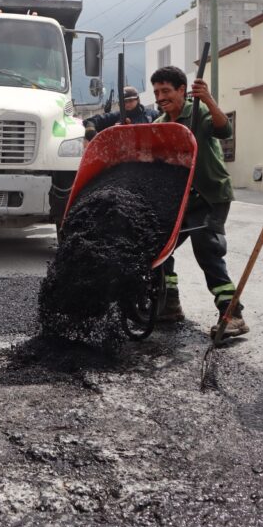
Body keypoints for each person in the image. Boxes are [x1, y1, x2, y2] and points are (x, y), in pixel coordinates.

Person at [150, 66, 248, 337]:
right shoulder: (161, 124)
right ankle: (169, 304)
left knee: (207, 248)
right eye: (157, 92)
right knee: (159, 246)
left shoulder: (199, 112)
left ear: (182, 90)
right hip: (180, 197)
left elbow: (225, 130)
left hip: (210, 194)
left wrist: (208, 100)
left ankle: (233, 315)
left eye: (166, 91)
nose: (161, 97)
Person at [82, 86, 159, 138]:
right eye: (124, 102)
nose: (127, 104)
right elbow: (91, 121)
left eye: (130, 100)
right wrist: (91, 132)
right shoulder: (116, 116)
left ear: (138, 100)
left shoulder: (152, 115)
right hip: (124, 155)